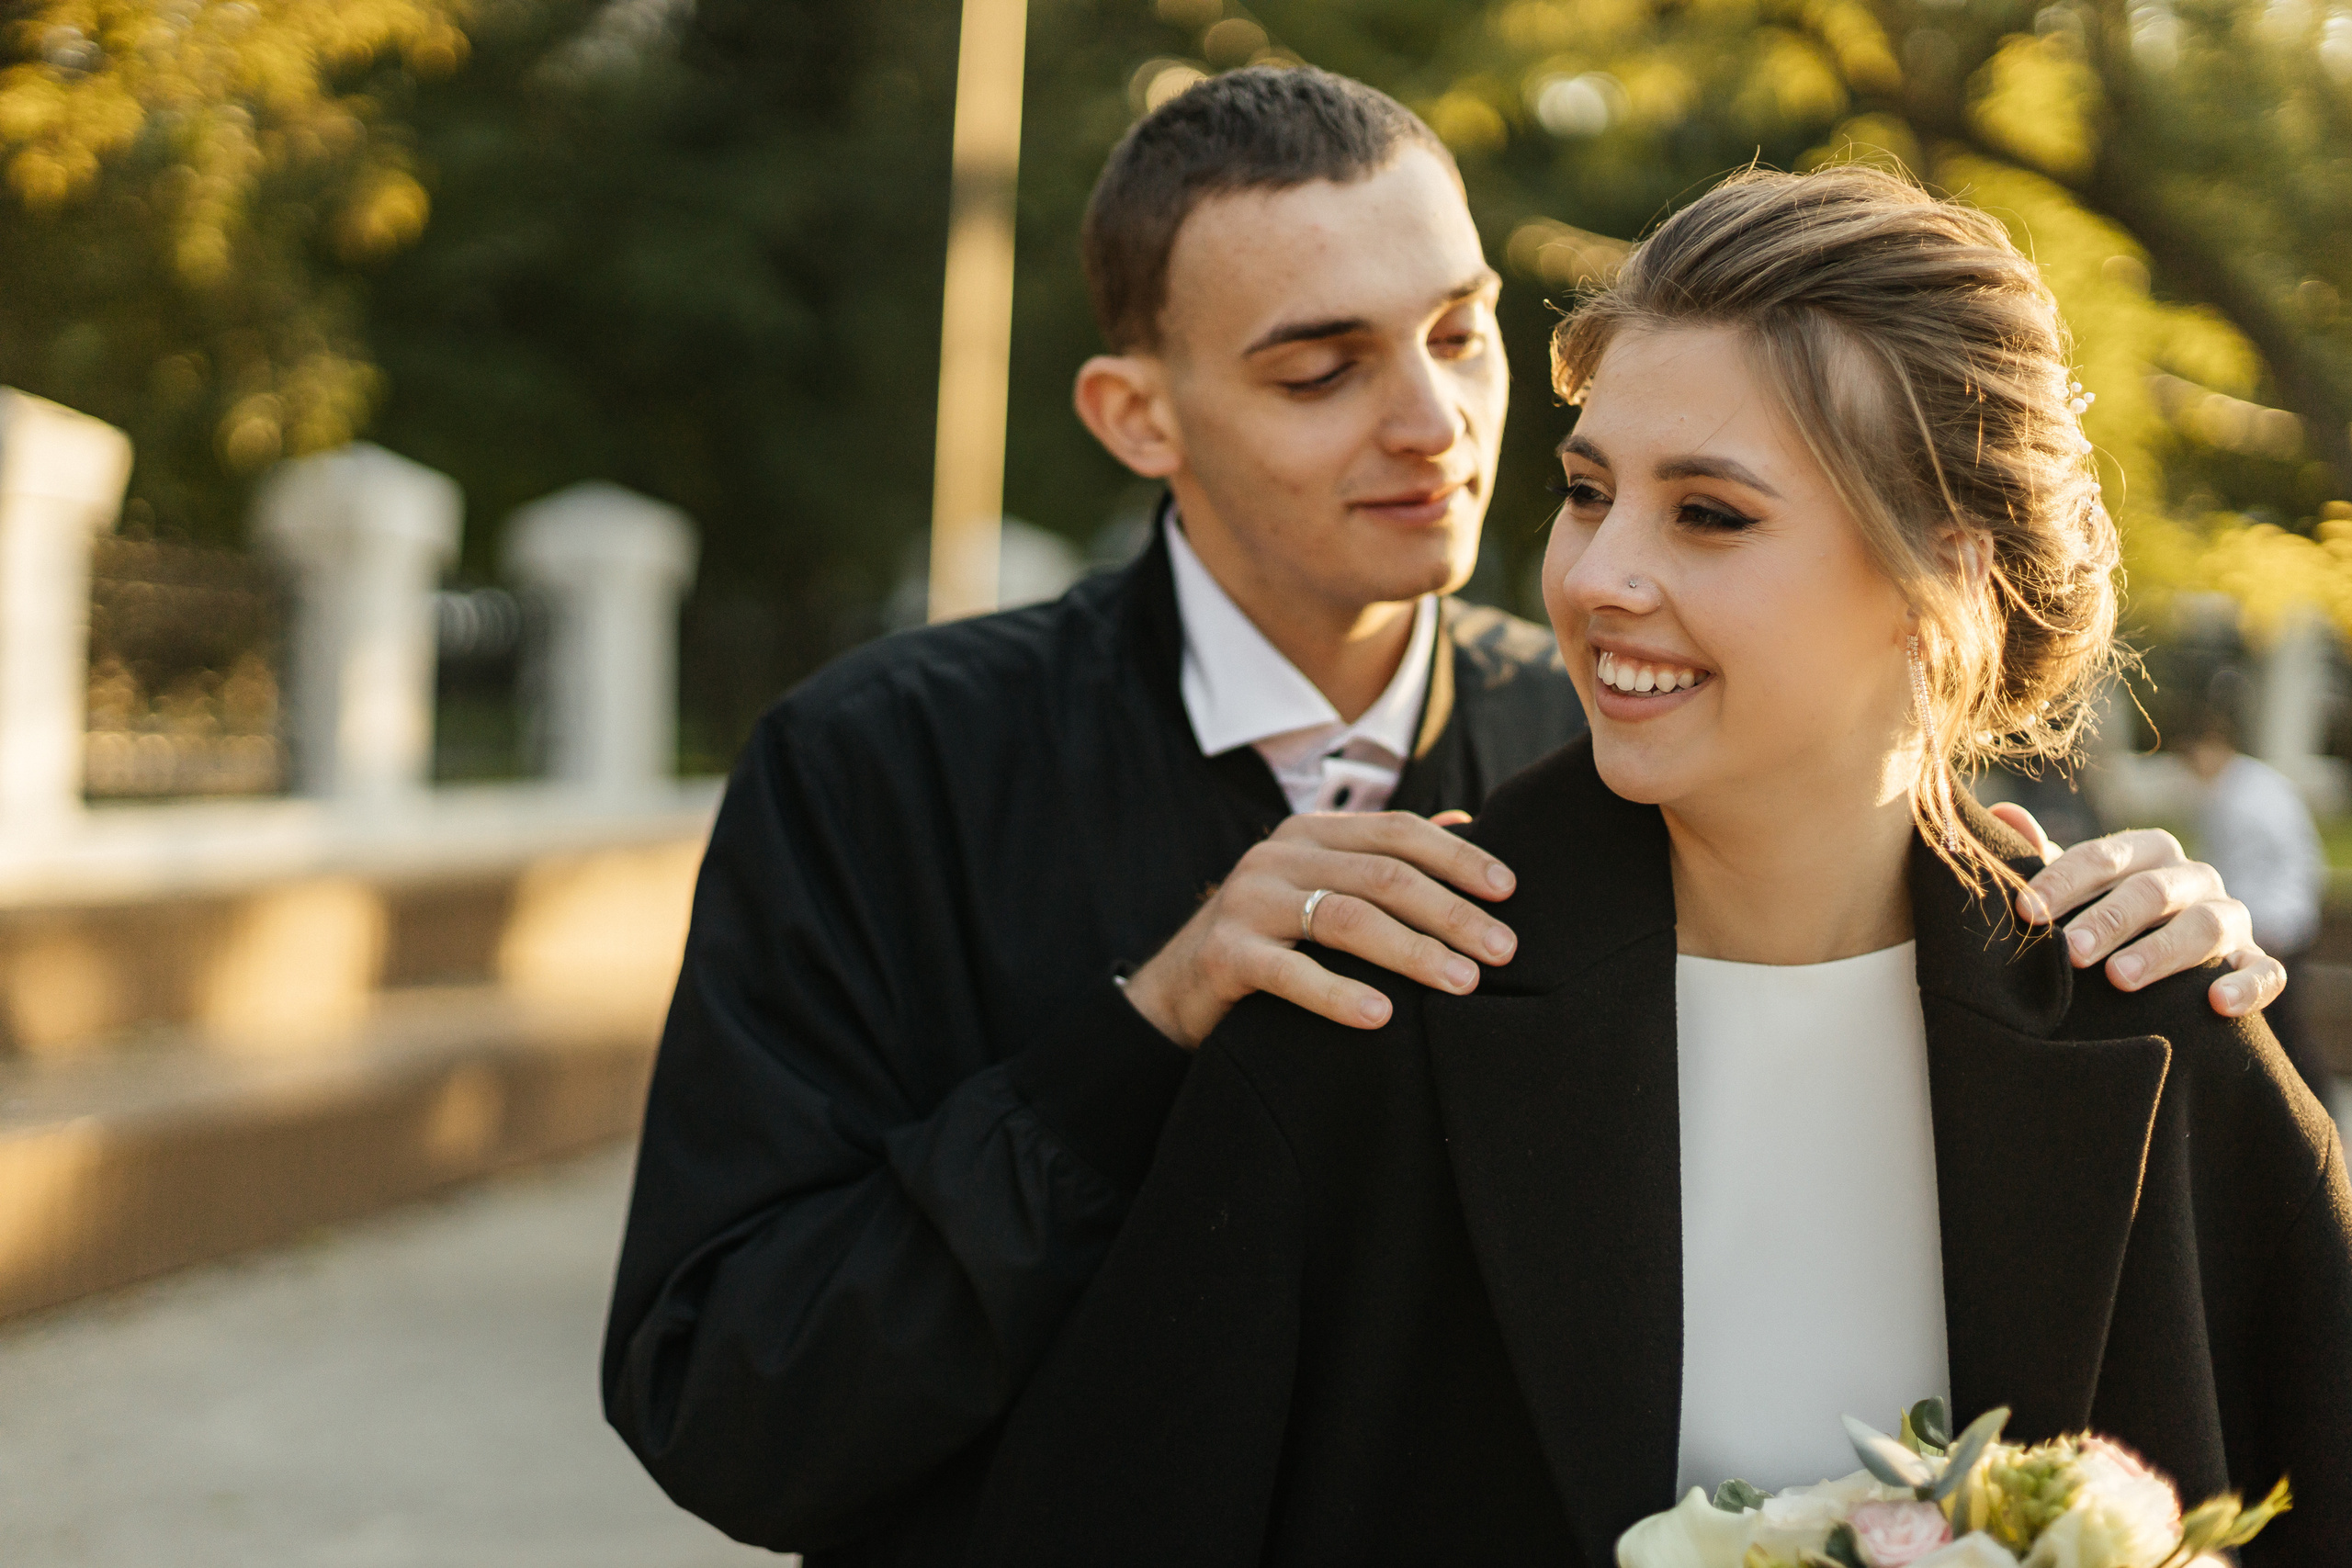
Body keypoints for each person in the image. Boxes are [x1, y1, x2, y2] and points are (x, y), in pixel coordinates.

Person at [602, 72, 2286, 1564]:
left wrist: (2124, 929)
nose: (1434, 425)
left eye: (1463, 332)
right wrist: (1137, 1040)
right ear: (1137, 415)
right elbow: (732, 1398)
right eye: (1322, 368)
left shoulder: (1656, 738)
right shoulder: (884, 768)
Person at [2187, 706, 2333, 1098]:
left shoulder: (2236, 800)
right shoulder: (2254, 785)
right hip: (2288, 918)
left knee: (2278, 1027)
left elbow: (2230, 874)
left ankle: (2313, 1104)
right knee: (2282, 1026)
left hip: (2271, 925)